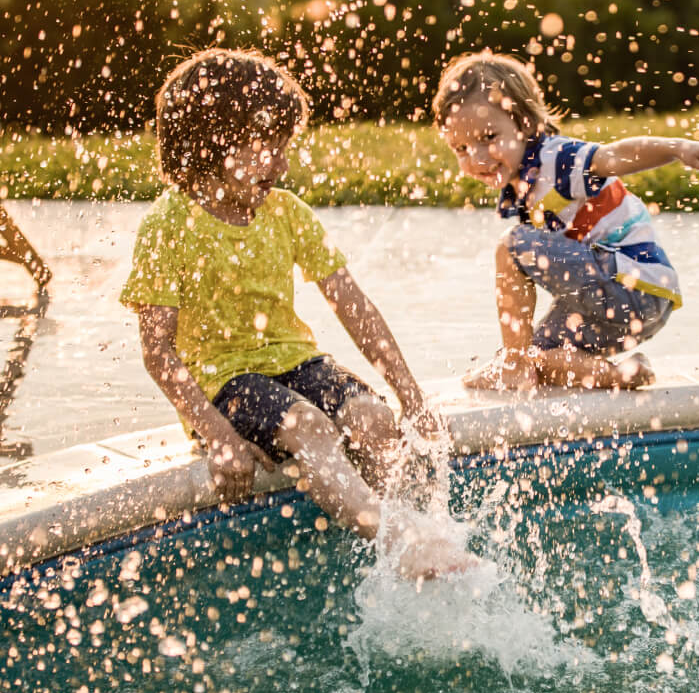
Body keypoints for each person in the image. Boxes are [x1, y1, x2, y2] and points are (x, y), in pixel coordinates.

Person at [122, 48, 476, 580]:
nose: (284, 165)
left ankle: (398, 559)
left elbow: (355, 308)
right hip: (224, 382)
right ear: (217, 141)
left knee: (374, 422)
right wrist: (217, 434)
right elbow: (157, 351)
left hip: (295, 363)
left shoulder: (285, 213)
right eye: (270, 148)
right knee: (306, 424)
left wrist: (411, 397)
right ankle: (399, 540)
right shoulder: (167, 226)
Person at [431, 52, 699, 392]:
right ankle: (622, 375)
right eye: (461, 147)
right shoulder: (523, 188)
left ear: (525, 124)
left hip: (630, 284)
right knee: (538, 357)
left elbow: (613, 155)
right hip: (633, 303)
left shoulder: (555, 159)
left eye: (489, 137)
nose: (478, 157)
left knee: (511, 246)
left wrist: (676, 147)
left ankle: (511, 365)